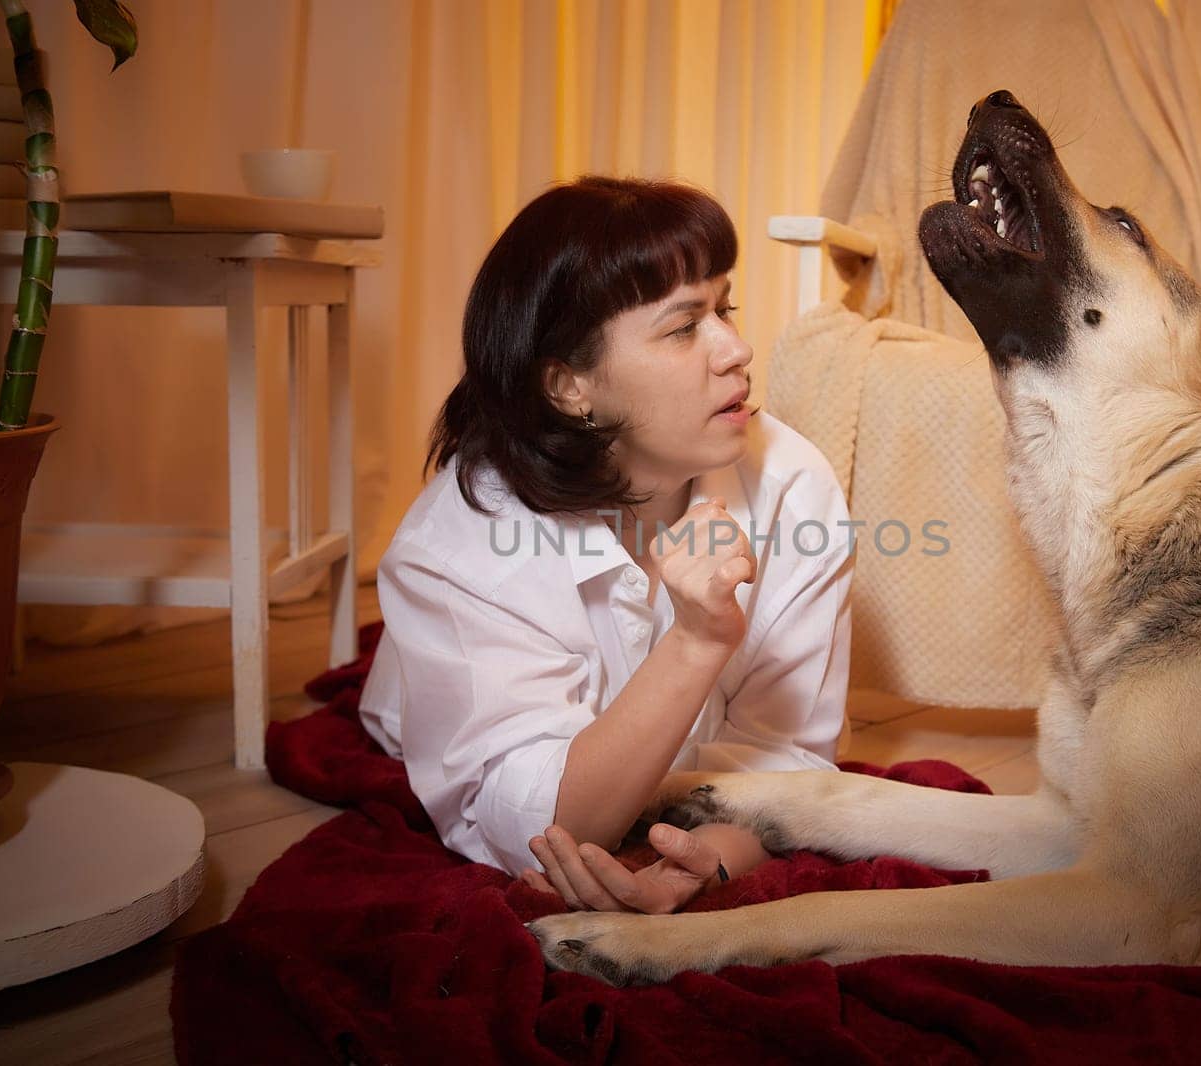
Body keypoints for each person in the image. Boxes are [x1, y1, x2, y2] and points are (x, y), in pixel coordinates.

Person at [359, 175, 854, 914]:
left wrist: (708, 861)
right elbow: (546, 827)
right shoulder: (457, 547)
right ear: (569, 388)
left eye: (726, 308)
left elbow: (791, 753)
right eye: (685, 327)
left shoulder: (795, 485)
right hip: (457, 715)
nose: (738, 349)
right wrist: (695, 642)